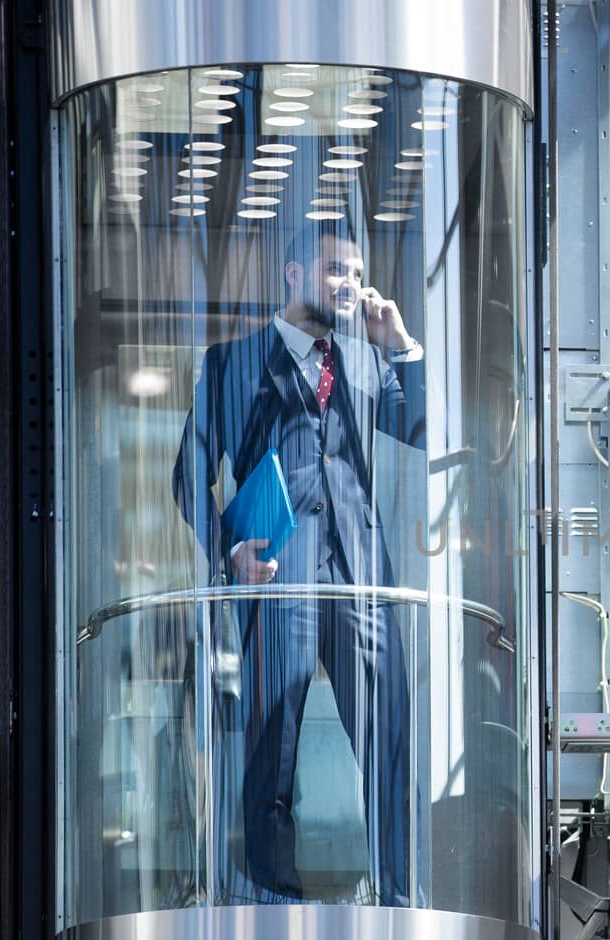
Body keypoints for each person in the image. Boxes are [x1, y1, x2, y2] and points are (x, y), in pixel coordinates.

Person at [172, 221, 423, 905]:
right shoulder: (235, 362)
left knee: (390, 740)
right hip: (281, 578)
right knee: (271, 744)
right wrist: (229, 551)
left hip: (363, 578)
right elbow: (189, 471)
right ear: (292, 274)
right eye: (334, 270)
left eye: (355, 273)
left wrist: (399, 346)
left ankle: (397, 895)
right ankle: (270, 893)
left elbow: (422, 432)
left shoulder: (368, 360)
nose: (348, 285)